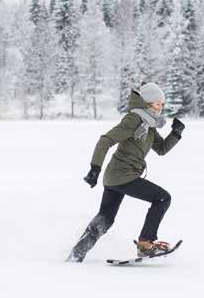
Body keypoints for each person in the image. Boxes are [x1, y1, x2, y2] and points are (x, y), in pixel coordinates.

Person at [67, 82, 186, 262]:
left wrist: (176, 133)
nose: (161, 107)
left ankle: (76, 254)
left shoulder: (149, 125)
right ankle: (145, 244)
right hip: (123, 175)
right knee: (162, 198)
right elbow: (105, 140)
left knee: (105, 218)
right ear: (147, 103)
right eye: (157, 103)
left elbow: (161, 149)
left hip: (117, 176)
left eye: (162, 104)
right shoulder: (134, 119)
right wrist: (94, 169)